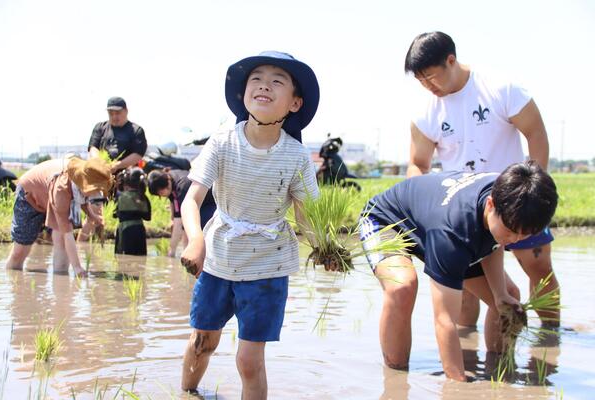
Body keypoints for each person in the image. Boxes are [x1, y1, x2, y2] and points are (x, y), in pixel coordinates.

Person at [178, 51, 320, 398]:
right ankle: (186, 393)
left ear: (295, 102)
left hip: (267, 268)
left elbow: (306, 217)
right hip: (217, 261)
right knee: (201, 343)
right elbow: (191, 200)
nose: (264, 86)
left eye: (277, 81)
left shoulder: (297, 156)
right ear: (243, 95)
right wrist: (196, 241)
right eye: (256, 79)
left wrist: (325, 248)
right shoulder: (223, 141)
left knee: (249, 360)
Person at [404, 31, 558, 327]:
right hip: (469, 210)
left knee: (539, 267)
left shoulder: (501, 89)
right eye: (420, 81)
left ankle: (551, 337)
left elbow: (535, 132)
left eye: (432, 78)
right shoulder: (425, 112)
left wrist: (536, 191)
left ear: (451, 61)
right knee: (467, 291)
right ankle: (468, 352)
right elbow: (418, 165)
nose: (428, 87)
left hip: (516, 200)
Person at [358, 161, 558, 381]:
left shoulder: (513, 197)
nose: (516, 240)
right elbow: (445, 321)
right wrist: (457, 387)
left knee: (509, 299)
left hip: (440, 221)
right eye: (511, 231)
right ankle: (395, 379)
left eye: (525, 235)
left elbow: (493, 243)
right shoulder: (452, 233)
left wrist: (501, 294)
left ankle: (499, 370)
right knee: (402, 288)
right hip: (388, 221)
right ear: (491, 205)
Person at [6, 157, 113, 276]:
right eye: (96, 188)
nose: (99, 192)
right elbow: (68, 234)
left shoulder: (85, 178)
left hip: (51, 192)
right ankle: (13, 280)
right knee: (20, 251)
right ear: (84, 184)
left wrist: (92, 216)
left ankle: (61, 285)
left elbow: (83, 198)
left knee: (60, 239)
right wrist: (77, 268)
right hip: (30, 194)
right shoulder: (62, 189)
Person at [79, 96, 148, 241]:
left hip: (125, 181)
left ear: (126, 111)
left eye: (118, 113)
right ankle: (81, 248)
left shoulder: (136, 130)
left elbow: (138, 154)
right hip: (101, 178)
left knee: (124, 216)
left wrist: (117, 165)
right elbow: (93, 148)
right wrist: (100, 163)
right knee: (93, 214)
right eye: (111, 113)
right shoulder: (100, 127)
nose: (114, 116)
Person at [147, 168, 216, 257]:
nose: (161, 196)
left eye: (160, 193)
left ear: (163, 187)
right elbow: (172, 199)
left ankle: (195, 255)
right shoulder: (170, 177)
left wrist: (171, 252)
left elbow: (179, 224)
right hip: (199, 202)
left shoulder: (182, 188)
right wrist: (172, 218)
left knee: (193, 228)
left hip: (210, 204)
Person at [114, 167, 151, 255]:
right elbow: (147, 217)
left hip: (125, 230)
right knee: (141, 258)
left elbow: (115, 214)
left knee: (123, 259)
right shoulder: (144, 198)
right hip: (140, 230)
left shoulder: (120, 197)